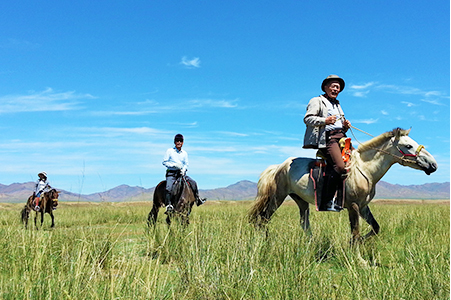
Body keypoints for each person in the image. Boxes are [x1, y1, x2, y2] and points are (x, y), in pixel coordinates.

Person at [303, 75, 351, 212]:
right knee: (340, 166)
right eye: (333, 86)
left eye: (338, 87)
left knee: (358, 162)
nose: (336, 89)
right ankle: (328, 200)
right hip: (327, 139)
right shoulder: (317, 100)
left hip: (342, 137)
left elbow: (339, 124)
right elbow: (308, 119)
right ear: (325, 87)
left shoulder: (337, 104)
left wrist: (345, 126)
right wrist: (325, 121)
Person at [162, 134, 206, 213]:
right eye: (177, 141)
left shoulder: (184, 153)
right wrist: (174, 165)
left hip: (181, 174)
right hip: (171, 174)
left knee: (193, 183)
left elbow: (186, 164)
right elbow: (164, 162)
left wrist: (184, 170)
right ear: (174, 142)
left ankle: (197, 199)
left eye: (180, 141)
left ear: (183, 142)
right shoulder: (170, 151)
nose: (179, 142)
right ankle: (169, 205)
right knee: (169, 187)